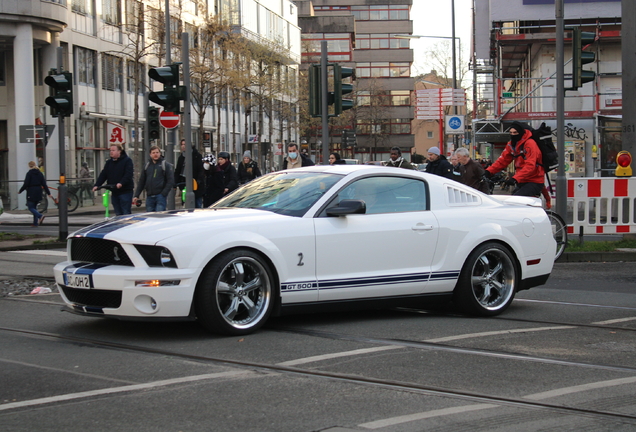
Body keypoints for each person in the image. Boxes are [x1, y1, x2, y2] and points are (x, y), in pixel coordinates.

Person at [484, 121, 545, 197]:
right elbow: (502, 160)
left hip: (534, 180)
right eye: (511, 133)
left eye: (515, 133)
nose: (513, 135)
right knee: (513, 200)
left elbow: (530, 166)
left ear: (520, 132)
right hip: (522, 180)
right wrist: (489, 171)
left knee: (517, 199)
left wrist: (515, 178)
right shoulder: (511, 144)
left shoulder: (530, 143)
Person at [93, 143, 134, 216]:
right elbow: (104, 174)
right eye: (110, 150)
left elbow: (128, 174)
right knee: (117, 213)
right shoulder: (109, 162)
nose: (111, 152)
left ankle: (126, 226)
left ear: (119, 151)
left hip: (125, 191)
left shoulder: (127, 161)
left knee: (125, 213)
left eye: (113, 150)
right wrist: (97, 185)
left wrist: (121, 183)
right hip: (114, 191)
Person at [133, 146, 175, 212]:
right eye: (153, 153)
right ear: (150, 154)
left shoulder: (165, 165)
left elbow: (170, 180)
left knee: (159, 216)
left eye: (157, 152)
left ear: (160, 153)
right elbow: (142, 181)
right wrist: (136, 195)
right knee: (150, 217)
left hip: (160, 196)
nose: (155, 154)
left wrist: (164, 193)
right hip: (149, 196)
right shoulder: (147, 166)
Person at [19, 161, 52, 227]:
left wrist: (20, 190)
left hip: (31, 191)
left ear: (29, 166)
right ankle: (35, 223)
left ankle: (40, 216)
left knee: (30, 207)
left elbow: (26, 183)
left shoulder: (29, 173)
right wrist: (49, 193)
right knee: (35, 208)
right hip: (39, 191)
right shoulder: (40, 173)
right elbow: (44, 184)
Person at [174, 139, 205, 208]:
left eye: (185, 144)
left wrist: (198, 181)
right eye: (182, 144)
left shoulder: (197, 156)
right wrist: (175, 182)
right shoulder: (181, 157)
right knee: (185, 204)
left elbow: (200, 170)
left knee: (197, 205)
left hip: (196, 185)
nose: (183, 146)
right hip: (184, 184)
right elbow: (178, 171)